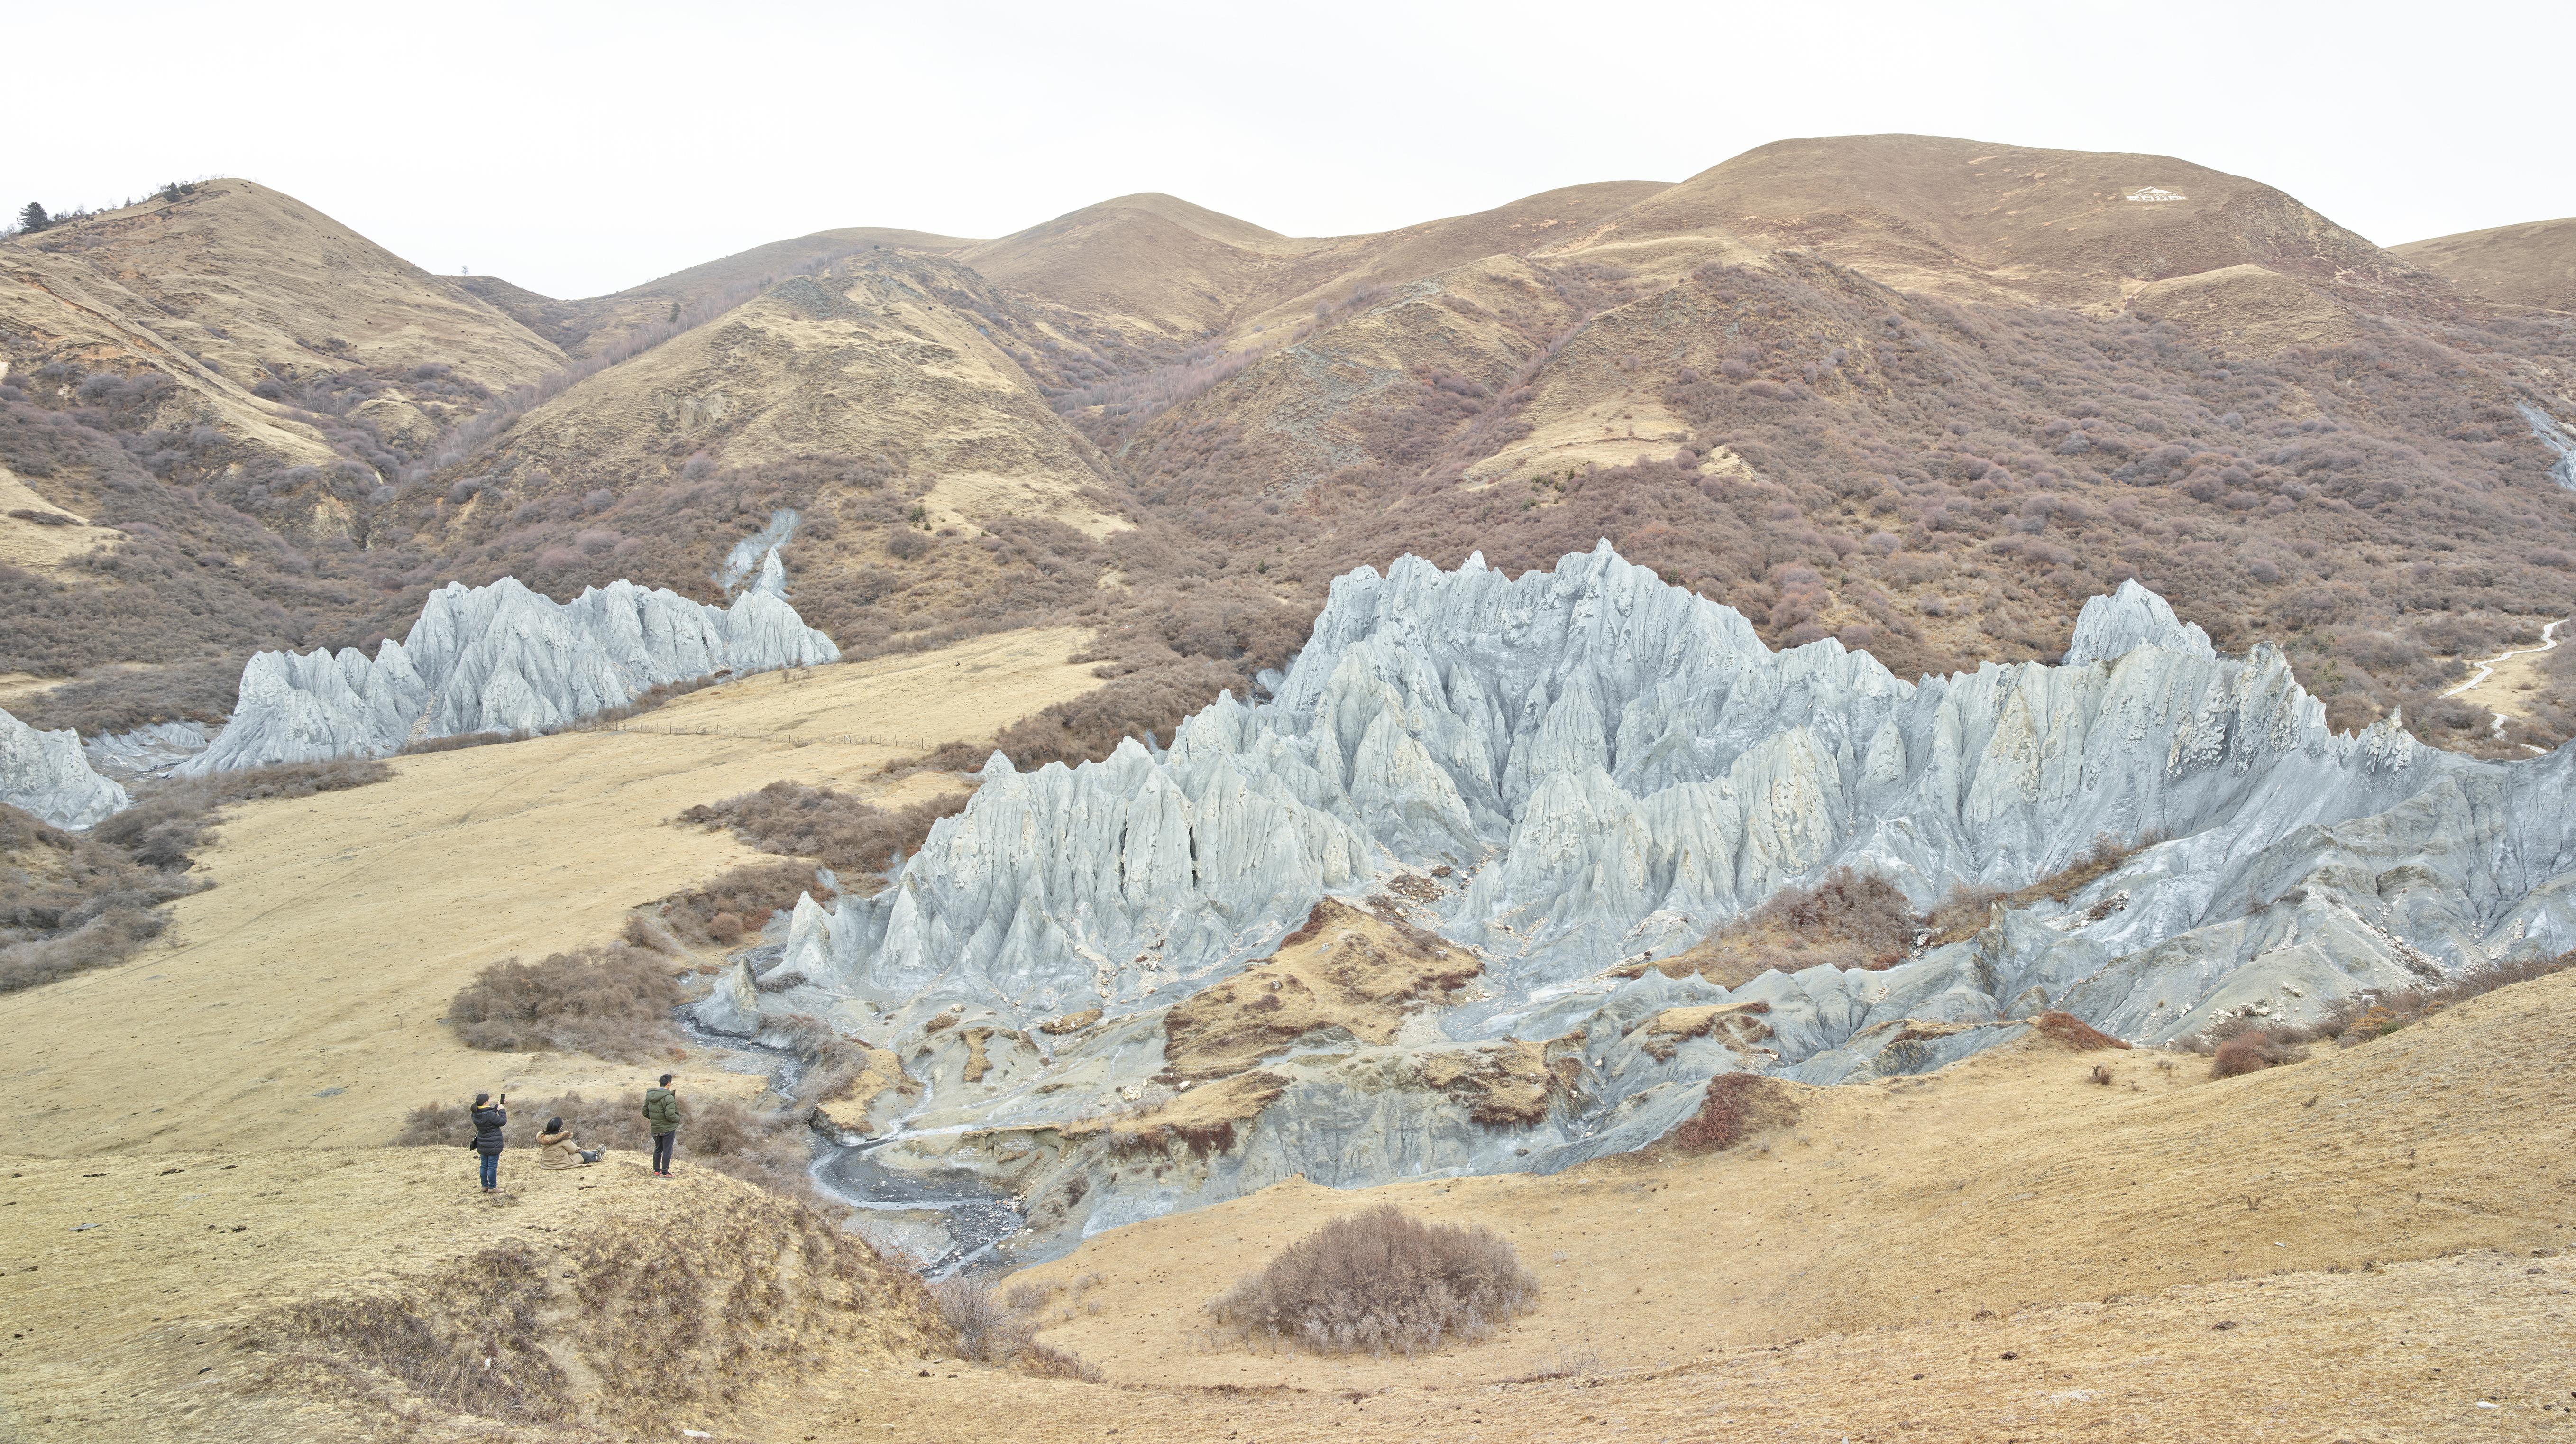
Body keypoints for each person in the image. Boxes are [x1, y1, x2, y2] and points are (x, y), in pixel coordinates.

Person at [469, 1092, 508, 1192]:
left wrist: (497, 1105)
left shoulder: (475, 1114)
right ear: (486, 1103)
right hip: (493, 1144)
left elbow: (488, 1114)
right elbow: (502, 1122)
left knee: (484, 1166)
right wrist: (502, 1111)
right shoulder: (490, 1115)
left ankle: (485, 1186)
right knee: (492, 1166)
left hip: (482, 1144)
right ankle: (493, 1188)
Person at [643, 1074, 680, 1177]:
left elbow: (645, 1112)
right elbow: (670, 1115)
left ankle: (656, 1171)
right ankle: (665, 1173)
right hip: (668, 1129)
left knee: (658, 1149)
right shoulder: (669, 1097)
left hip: (655, 1128)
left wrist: (655, 1120)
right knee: (667, 1150)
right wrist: (678, 1119)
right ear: (668, 1084)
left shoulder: (650, 1096)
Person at [536, 1116, 603, 1169]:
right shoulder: (562, 1138)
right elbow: (573, 1151)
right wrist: (574, 1146)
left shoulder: (543, 1137)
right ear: (560, 1127)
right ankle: (595, 1154)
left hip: (547, 1163)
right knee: (580, 1154)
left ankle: (597, 1157)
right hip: (559, 1163)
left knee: (579, 1156)